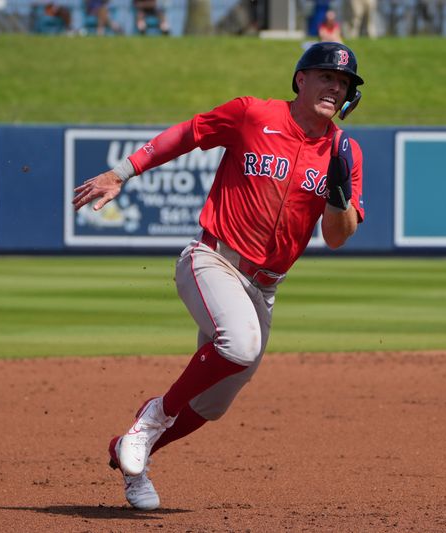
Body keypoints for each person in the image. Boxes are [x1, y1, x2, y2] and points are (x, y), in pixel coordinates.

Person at [72, 42, 366, 511]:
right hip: (212, 258)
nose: (336, 86)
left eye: (344, 82)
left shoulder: (343, 151)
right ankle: (153, 416)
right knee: (239, 344)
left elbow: (337, 235)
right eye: (327, 76)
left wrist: (338, 197)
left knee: (211, 406)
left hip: (265, 287)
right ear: (300, 80)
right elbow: (187, 134)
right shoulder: (253, 114)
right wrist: (122, 172)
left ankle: (134, 451)